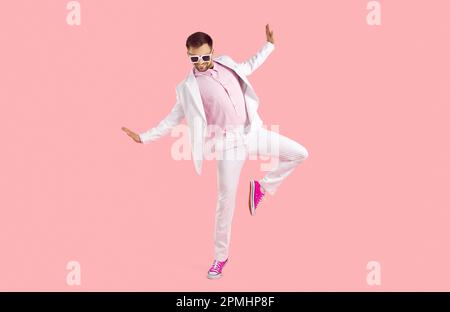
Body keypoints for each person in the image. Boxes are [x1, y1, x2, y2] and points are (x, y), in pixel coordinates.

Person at [122, 24, 309, 279]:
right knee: (225, 203)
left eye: (204, 56)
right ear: (188, 55)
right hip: (228, 146)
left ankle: (263, 187)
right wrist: (144, 137)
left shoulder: (228, 65)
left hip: (253, 132)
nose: (200, 62)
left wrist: (269, 45)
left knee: (299, 153)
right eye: (194, 58)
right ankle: (220, 258)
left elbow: (250, 65)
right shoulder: (188, 89)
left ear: (212, 52)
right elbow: (171, 119)